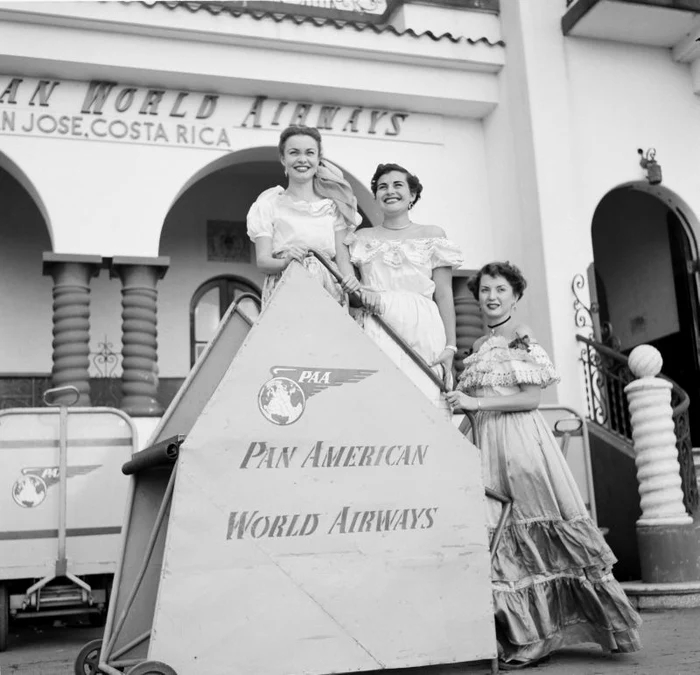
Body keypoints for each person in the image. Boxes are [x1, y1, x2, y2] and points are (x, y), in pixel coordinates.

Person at [445, 261, 642, 670]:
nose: (491, 297)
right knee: (499, 538)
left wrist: (475, 403)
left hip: (519, 446)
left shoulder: (522, 340)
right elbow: (471, 408)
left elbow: (530, 399)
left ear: (516, 297)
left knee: (532, 530)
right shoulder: (479, 348)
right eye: (484, 290)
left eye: (500, 289)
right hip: (485, 445)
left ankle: (543, 636)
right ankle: (522, 633)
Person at [343, 163, 462, 411]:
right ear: (375, 196)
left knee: (425, 399)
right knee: (380, 401)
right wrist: (363, 295)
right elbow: (351, 291)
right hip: (377, 323)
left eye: (398, 185)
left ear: (412, 195)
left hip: (423, 325)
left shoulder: (432, 234)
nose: (390, 191)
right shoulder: (361, 238)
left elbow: (443, 293)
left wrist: (451, 345)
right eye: (382, 187)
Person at [246, 125, 361, 306]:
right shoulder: (268, 204)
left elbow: (342, 260)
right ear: (283, 159)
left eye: (309, 153)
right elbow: (263, 262)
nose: (302, 159)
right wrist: (286, 261)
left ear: (318, 158)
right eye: (294, 153)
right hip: (286, 288)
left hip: (328, 290)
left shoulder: (333, 207)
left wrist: (351, 281)